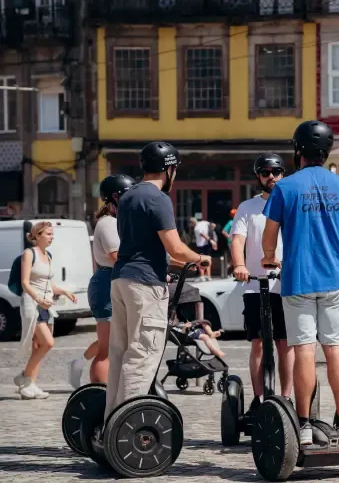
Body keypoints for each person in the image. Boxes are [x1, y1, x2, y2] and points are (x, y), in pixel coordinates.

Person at [261, 120, 339, 446]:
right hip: (334, 278)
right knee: (335, 348)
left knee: (303, 350)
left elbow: (269, 235)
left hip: (298, 280)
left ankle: (303, 425)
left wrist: (268, 256)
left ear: (298, 150)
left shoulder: (285, 188)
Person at [105, 142, 212, 421]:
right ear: (170, 169)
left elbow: (146, 247)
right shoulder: (158, 198)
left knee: (119, 354)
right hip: (144, 284)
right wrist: (200, 259)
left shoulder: (127, 197)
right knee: (142, 355)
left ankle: (109, 424)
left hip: (121, 280)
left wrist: (179, 260)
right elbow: (176, 249)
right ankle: (127, 428)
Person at [231, 153, 294, 413]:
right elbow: (237, 240)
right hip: (255, 285)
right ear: (258, 176)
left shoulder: (291, 203)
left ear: (283, 174)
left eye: (277, 172)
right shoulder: (248, 207)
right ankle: (258, 401)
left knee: (285, 342)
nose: (272, 177)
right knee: (257, 342)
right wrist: (239, 266)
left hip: (284, 284)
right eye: (266, 172)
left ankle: (287, 397)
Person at [69, 174, 135, 389]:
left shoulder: (120, 222)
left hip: (117, 280)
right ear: (115, 198)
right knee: (107, 348)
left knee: (116, 340)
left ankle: (80, 361)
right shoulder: (107, 223)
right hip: (107, 282)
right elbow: (117, 257)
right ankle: (101, 394)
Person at [13, 222, 78, 399]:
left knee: (39, 346)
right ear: (38, 235)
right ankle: (24, 377)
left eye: (52, 234)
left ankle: (30, 385)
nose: (52, 237)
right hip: (33, 304)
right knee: (48, 343)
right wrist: (38, 299)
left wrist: (64, 291)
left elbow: (49, 284)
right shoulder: (29, 254)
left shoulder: (48, 255)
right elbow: (25, 282)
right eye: (48, 234)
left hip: (46, 305)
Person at [194, 216, 212, 280]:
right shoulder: (204, 223)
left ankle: (202, 276)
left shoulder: (196, 227)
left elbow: (202, 234)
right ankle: (208, 276)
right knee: (207, 259)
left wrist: (210, 240)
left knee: (200, 260)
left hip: (200, 246)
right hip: (206, 244)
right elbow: (213, 225)